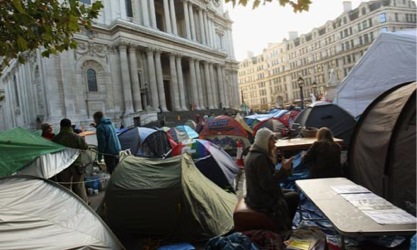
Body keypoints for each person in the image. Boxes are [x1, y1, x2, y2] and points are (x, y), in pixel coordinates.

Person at [244, 128, 299, 232]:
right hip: (260, 199)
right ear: (264, 141)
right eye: (271, 139)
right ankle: (286, 227)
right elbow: (268, 185)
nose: (275, 141)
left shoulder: (254, 153)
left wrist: (284, 168)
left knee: (291, 192)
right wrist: (283, 169)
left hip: (255, 194)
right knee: (294, 197)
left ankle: (287, 224)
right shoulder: (260, 158)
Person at [53, 118, 89, 202]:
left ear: (61, 126)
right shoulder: (76, 137)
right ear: (70, 126)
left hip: (63, 165)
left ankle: (68, 204)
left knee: (66, 187)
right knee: (79, 186)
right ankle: (84, 205)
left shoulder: (56, 138)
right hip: (77, 165)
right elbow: (85, 147)